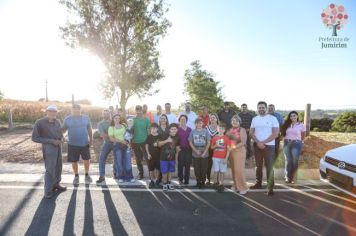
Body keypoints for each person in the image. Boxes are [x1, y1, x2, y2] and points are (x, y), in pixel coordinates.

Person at [32, 105, 66, 199]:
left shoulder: (58, 121)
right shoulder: (39, 122)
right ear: (46, 112)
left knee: (59, 167)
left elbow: (60, 133)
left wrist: (62, 138)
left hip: (59, 147)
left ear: (56, 112)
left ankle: (56, 184)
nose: (52, 113)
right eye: (50, 111)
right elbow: (34, 138)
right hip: (48, 148)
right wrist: (51, 141)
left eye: (54, 111)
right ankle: (47, 190)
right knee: (50, 169)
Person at [250, 101, 279, 196]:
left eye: (263, 107)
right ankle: (258, 183)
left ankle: (270, 187)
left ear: (266, 108)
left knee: (269, 166)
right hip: (257, 145)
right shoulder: (254, 119)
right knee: (258, 166)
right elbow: (251, 133)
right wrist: (258, 142)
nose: (261, 109)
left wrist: (263, 142)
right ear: (257, 109)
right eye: (259, 107)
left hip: (269, 146)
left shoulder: (273, 118)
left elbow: (275, 133)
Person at [63, 104, 93, 184]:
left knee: (86, 160)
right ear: (71, 110)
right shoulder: (67, 119)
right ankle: (76, 176)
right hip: (72, 144)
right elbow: (63, 129)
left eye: (78, 109)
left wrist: (91, 140)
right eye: (74, 109)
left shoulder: (86, 118)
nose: (76, 110)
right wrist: (62, 136)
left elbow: (89, 129)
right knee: (74, 161)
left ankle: (87, 174)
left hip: (84, 143)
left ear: (80, 110)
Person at [108, 114, 135, 183]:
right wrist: (121, 141)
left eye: (118, 118)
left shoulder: (123, 126)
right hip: (117, 146)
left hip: (126, 145)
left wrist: (129, 143)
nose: (117, 119)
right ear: (113, 119)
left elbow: (128, 135)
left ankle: (130, 177)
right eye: (115, 118)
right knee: (119, 162)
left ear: (120, 119)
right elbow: (111, 138)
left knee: (128, 162)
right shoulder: (111, 128)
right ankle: (121, 177)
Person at [281, 111, 306, 184]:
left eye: (294, 115)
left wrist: (301, 141)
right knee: (288, 161)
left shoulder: (301, 125)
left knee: (295, 161)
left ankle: (294, 178)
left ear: (297, 116)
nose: (292, 117)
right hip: (287, 143)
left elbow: (303, 134)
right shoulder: (286, 124)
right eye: (291, 116)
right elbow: (283, 134)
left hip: (296, 143)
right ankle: (288, 177)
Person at [226, 115, 249, 195]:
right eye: (233, 121)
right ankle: (236, 185)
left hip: (240, 151)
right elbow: (226, 140)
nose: (234, 122)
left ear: (239, 122)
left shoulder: (242, 130)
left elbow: (243, 142)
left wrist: (233, 147)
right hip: (231, 152)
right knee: (233, 170)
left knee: (239, 170)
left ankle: (243, 187)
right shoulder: (230, 130)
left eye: (236, 121)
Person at [189, 118, 211, 188]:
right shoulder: (193, 132)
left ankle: (203, 182)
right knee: (197, 168)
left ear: (202, 124)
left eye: (200, 123)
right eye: (197, 123)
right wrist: (195, 150)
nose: (199, 124)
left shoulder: (205, 131)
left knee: (204, 168)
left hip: (205, 152)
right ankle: (198, 181)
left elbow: (208, 142)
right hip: (196, 152)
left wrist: (204, 152)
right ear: (195, 124)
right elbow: (190, 142)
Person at [158, 123, 180, 192]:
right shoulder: (165, 135)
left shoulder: (177, 137)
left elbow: (177, 149)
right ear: (169, 130)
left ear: (177, 130)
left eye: (175, 129)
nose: (173, 130)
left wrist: (176, 159)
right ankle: (164, 183)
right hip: (163, 157)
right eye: (172, 129)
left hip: (172, 158)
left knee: (170, 171)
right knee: (164, 171)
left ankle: (169, 183)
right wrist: (167, 140)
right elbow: (158, 144)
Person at [210, 123, 230, 193]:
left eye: (222, 129)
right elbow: (211, 147)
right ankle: (215, 183)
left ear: (224, 130)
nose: (221, 130)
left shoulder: (226, 138)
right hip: (215, 157)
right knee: (216, 171)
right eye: (220, 128)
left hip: (223, 158)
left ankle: (221, 184)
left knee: (222, 171)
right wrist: (216, 145)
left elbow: (228, 149)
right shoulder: (215, 137)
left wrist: (226, 158)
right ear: (217, 129)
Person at [132, 105, 150, 180]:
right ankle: (141, 173)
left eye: (140, 110)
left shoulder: (146, 120)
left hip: (144, 141)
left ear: (142, 110)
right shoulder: (133, 120)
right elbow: (129, 130)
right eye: (137, 110)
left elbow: (148, 130)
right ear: (135, 111)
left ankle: (150, 173)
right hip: (135, 141)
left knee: (147, 158)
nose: (138, 111)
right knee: (138, 158)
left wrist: (149, 141)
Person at [96, 109, 113, 184]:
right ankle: (102, 176)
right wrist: (112, 135)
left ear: (110, 114)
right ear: (102, 115)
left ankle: (116, 174)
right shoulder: (100, 124)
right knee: (101, 158)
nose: (106, 115)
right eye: (104, 114)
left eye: (107, 114)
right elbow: (103, 135)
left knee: (118, 157)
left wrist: (108, 134)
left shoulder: (114, 122)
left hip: (116, 143)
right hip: (107, 143)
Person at [177, 114, 192, 185]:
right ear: (179, 120)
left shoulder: (190, 129)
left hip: (188, 150)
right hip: (180, 150)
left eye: (184, 119)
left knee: (187, 165)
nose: (183, 120)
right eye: (181, 119)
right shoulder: (177, 129)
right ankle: (180, 179)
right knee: (180, 165)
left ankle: (186, 179)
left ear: (186, 121)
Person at [145, 123, 161, 188]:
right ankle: (152, 181)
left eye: (154, 128)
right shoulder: (149, 136)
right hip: (151, 156)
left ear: (157, 129)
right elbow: (146, 145)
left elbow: (161, 145)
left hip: (158, 156)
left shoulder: (159, 136)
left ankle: (157, 180)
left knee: (158, 169)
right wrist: (148, 154)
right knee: (151, 169)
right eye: (152, 128)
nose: (153, 129)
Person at [205, 113, 219, 185]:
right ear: (209, 119)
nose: (212, 119)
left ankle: (216, 179)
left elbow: (222, 138)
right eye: (211, 118)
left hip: (218, 149)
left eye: (214, 117)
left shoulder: (220, 128)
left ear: (217, 119)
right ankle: (208, 179)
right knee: (208, 164)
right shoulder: (206, 128)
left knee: (217, 164)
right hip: (209, 148)